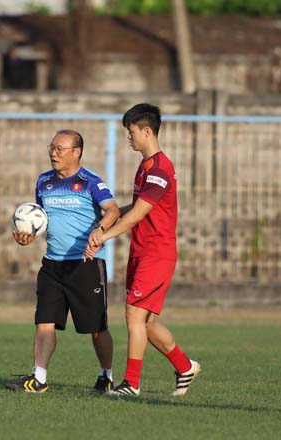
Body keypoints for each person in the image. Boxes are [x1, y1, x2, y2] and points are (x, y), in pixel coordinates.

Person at [85, 103, 200, 397]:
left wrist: (105, 235)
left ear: (147, 131)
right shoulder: (146, 166)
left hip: (156, 254)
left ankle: (131, 384)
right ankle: (185, 367)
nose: (129, 137)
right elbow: (134, 208)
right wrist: (107, 215)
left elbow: (138, 214)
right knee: (146, 323)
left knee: (134, 317)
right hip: (141, 251)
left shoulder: (161, 169)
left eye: (131, 131)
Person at [6, 129, 120, 393]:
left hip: (86, 265)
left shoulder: (90, 181)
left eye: (59, 149)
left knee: (97, 329)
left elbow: (112, 210)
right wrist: (27, 238)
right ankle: (40, 378)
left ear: (76, 152)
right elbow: (39, 220)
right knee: (44, 322)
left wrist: (100, 230)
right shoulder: (43, 181)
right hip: (52, 265)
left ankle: (106, 376)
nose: (53, 153)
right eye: (51, 147)